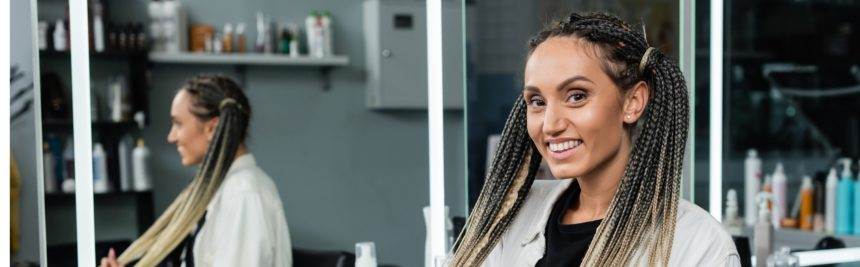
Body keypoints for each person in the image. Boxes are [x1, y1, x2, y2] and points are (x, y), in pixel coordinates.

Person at [451, 13, 739, 266]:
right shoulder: (511, 216)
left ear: (633, 102)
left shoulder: (698, 244)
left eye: (576, 96)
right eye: (537, 101)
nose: (551, 125)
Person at [100, 74, 292, 267]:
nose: (171, 137)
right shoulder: (223, 191)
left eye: (178, 124)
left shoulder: (244, 195)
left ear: (211, 129)